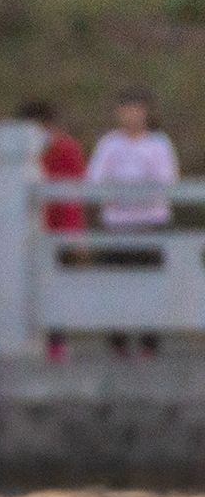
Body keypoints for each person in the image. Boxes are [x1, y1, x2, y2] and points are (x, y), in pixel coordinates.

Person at [86, 89, 179, 358]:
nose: (130, 115)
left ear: (147, 112)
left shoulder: (159, 143)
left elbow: (166, 180)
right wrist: (119, 196)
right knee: (116, 281)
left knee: (150, 282)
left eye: (136, 109)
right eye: (126, 109)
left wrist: (135, 196)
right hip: (116, 224)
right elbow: (95, 179)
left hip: (151, 223)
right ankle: (118, 339)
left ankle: (150, 340)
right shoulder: (109, 144)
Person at [18, 100, 86, 363]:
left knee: (56, 286)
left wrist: (76, 235)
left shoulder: (67, 148)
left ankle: (57, 342)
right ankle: (28, 337)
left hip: (61, 228)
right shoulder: (22, 155)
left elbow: (75, 194)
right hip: (29, 232)